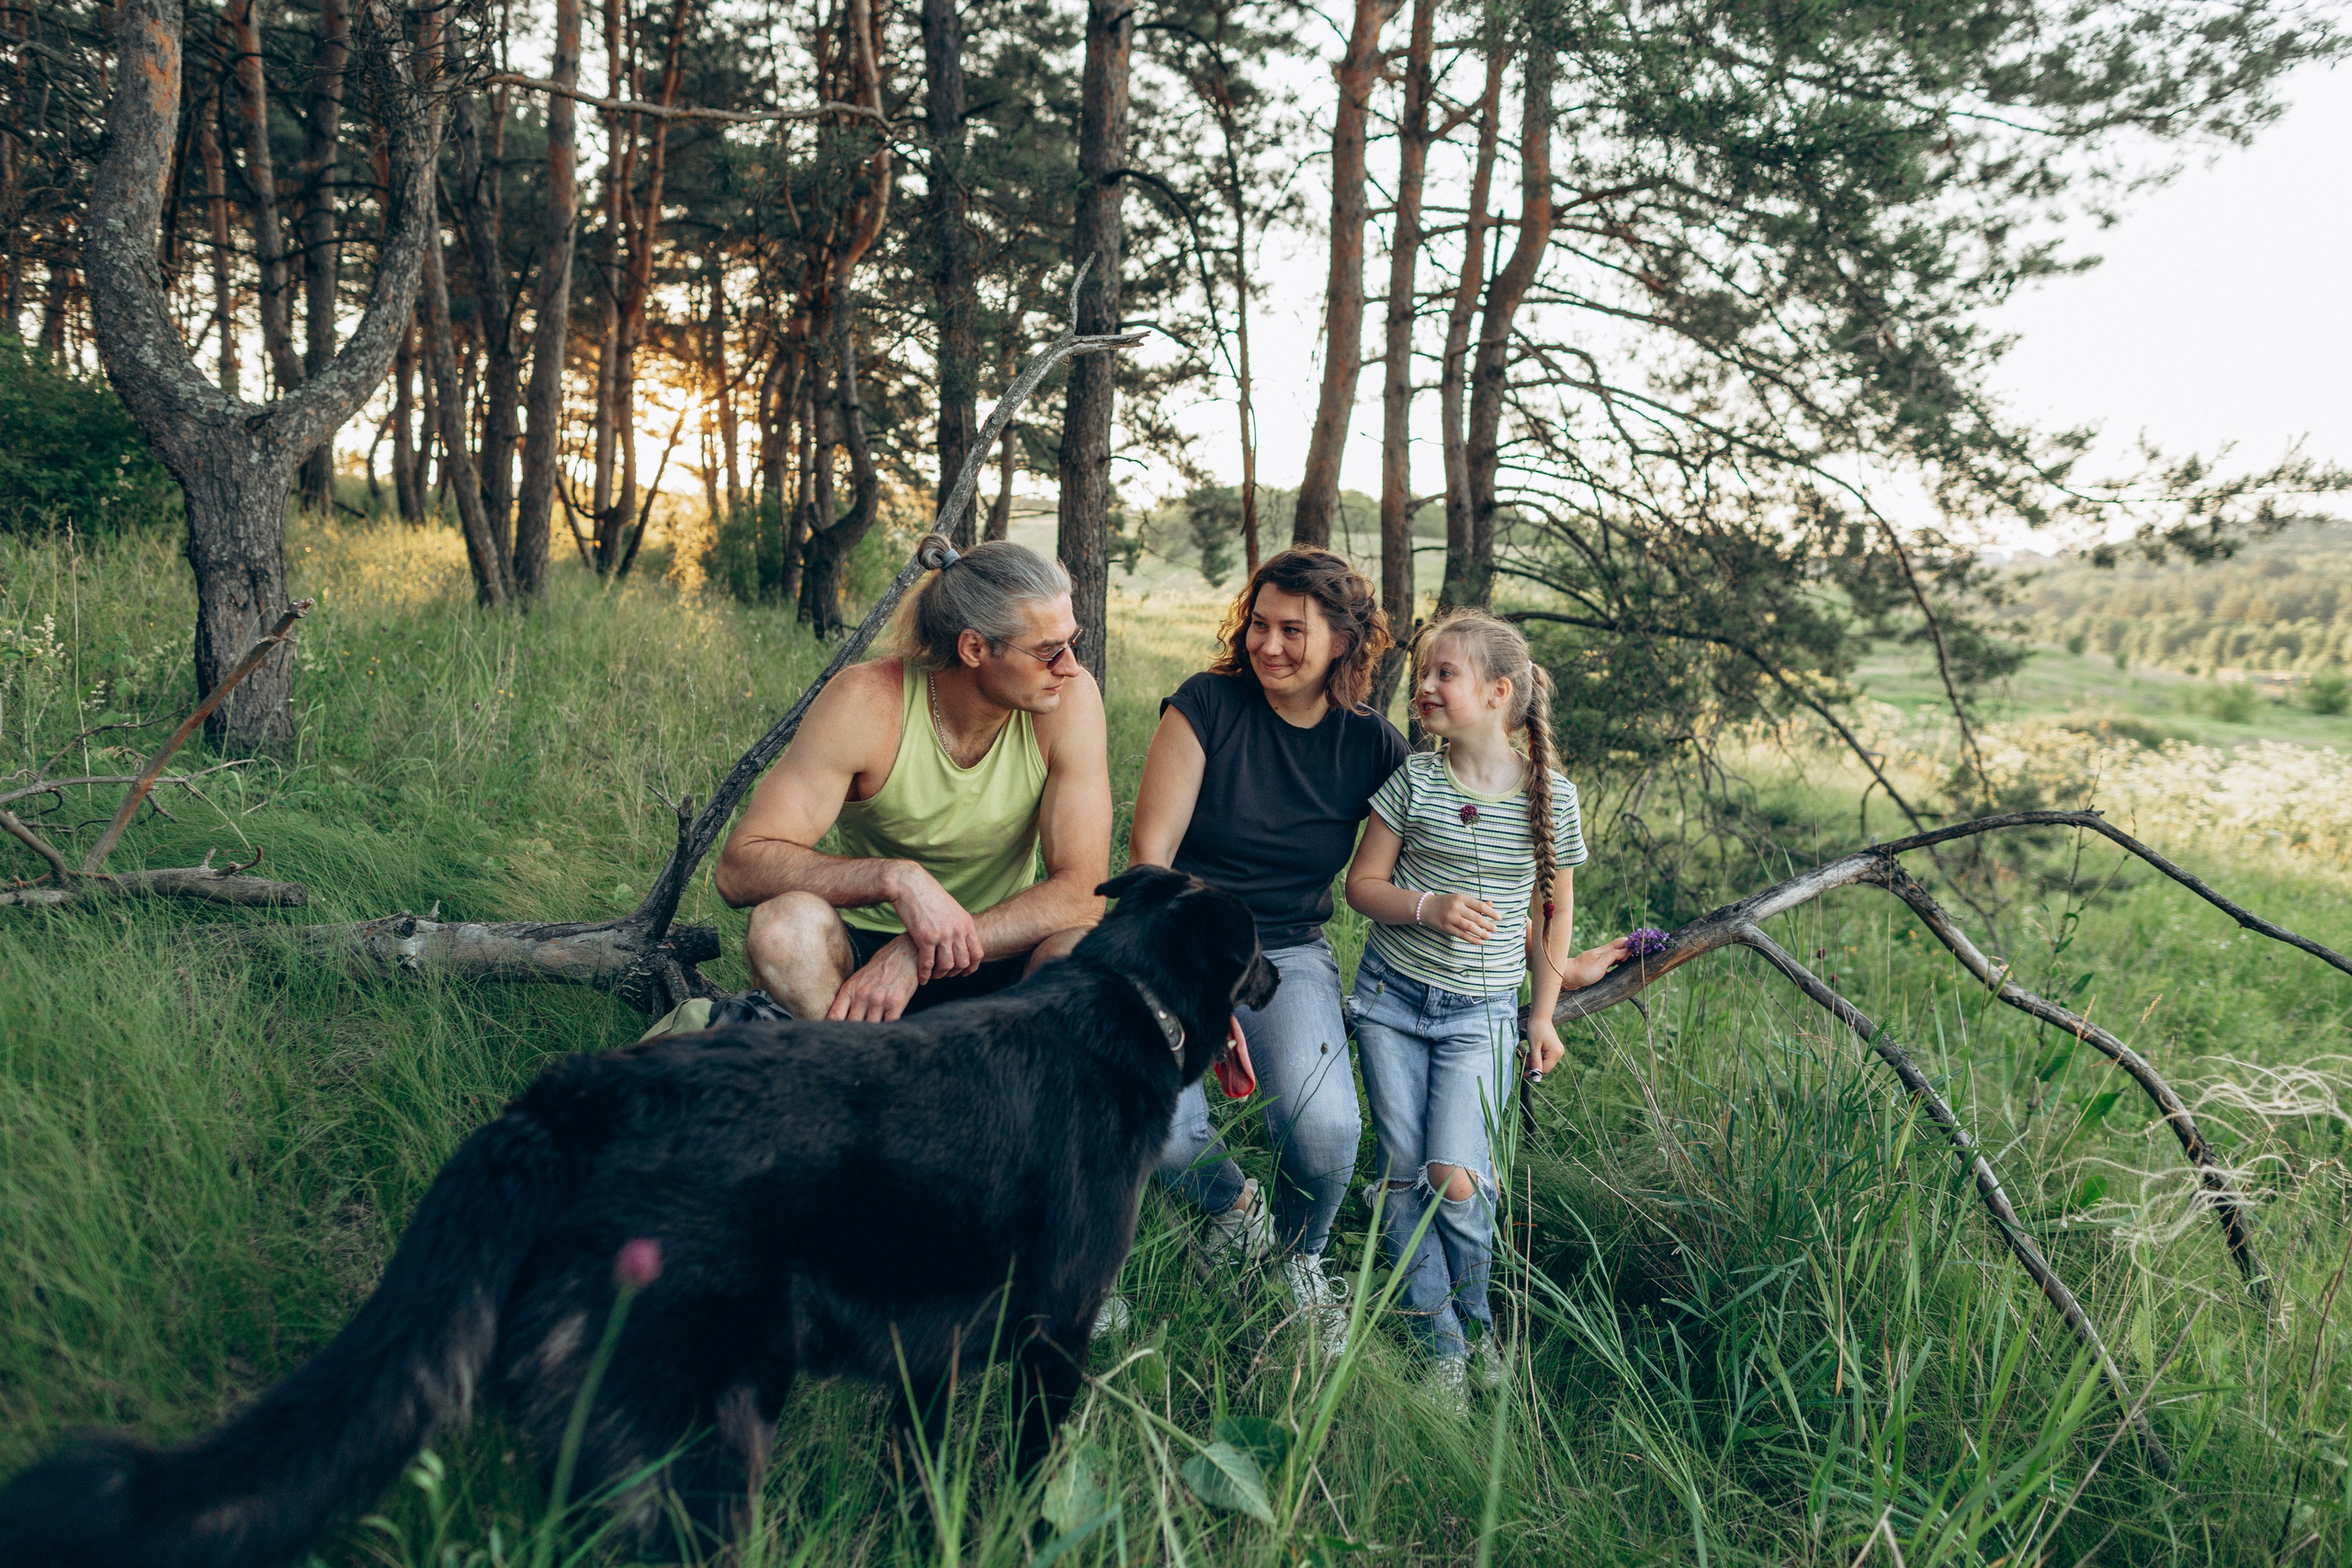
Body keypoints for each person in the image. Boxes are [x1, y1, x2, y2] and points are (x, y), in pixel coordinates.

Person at [1125, 547, 1408, 1356]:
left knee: (1325, 1134)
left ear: (1345, 643)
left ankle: (1298, 1258)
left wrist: (1551, 960)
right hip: (1177, 939)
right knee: (1164, 1128)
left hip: (1289, 951)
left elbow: (1452, 855)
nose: (1269, 644)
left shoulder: (1371, 745)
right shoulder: (1205, 707)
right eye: (1259, 623)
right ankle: (1233, 1210)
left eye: (1295, 630)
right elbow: (1150, 857)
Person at [1342, 608, 1628, 1401]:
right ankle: (1442, 1347)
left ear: (1499, 693)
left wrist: (1540, 1013)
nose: (1424, 687)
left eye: (1443, 674)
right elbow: (1361, 887)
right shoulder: (1414, 780)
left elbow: (1554, 912)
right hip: (1393, 1001)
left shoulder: (1552, 798)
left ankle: (1479, 1318)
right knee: (1402, 1173)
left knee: (1455, 1175)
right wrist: (1426, 905)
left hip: (1481, 1012)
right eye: (1424, 671)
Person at [713, 536, 1111, 1021]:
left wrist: (913, 953)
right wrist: (895, 878)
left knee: (1087, 955)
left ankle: (1013, 1085)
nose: (1069, 667)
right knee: (782, 927)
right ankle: (854, 1076)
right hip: (859, 967)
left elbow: (1082, 896)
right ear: (973, 648)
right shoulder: (864, 703)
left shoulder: (1069, 702)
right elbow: (740, 868)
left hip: (1001, 949)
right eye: (1048, 651)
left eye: (1071, 642)